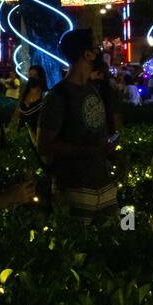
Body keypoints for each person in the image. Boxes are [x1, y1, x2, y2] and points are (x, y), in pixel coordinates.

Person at [37, 29, 119, 221]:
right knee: (79, 248)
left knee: (114, 243)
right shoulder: (58, 96)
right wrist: (91, 149)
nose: (100, 52)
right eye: (97, 47)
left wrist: (111, 152)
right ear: (87, 53)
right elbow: (44, 145)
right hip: (75, 190)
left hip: (105, 185)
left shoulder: (94, 89)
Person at [9, 65, 47, 145]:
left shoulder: (45, 95)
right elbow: (18, 112)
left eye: (35, 75)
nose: (32, 78)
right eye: (30, 75)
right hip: (22, 133)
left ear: (41, 77)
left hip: (37, 135)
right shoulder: (24, 92)